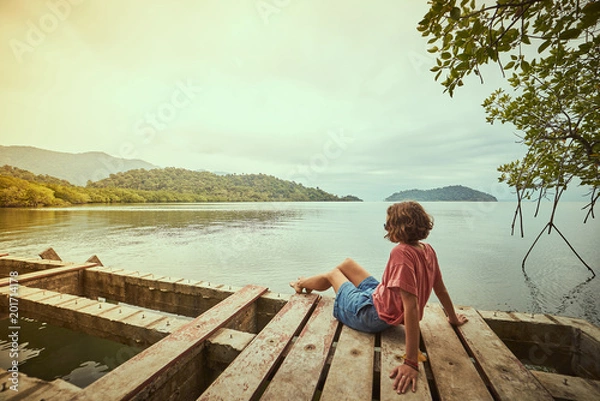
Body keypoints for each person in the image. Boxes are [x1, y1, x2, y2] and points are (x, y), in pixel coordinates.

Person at [289, 201, 468, 395]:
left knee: (334, 274)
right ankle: (303, 282)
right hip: (380, 296)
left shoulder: (400, 252)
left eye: (387, 225)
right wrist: (453, 318)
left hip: (371, 314)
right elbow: (440, 289)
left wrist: (411, 362)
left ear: (398, 227)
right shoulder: (428, 250)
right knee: (347, 264)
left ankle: (301, 283)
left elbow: (412, 306)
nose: (386, 229)